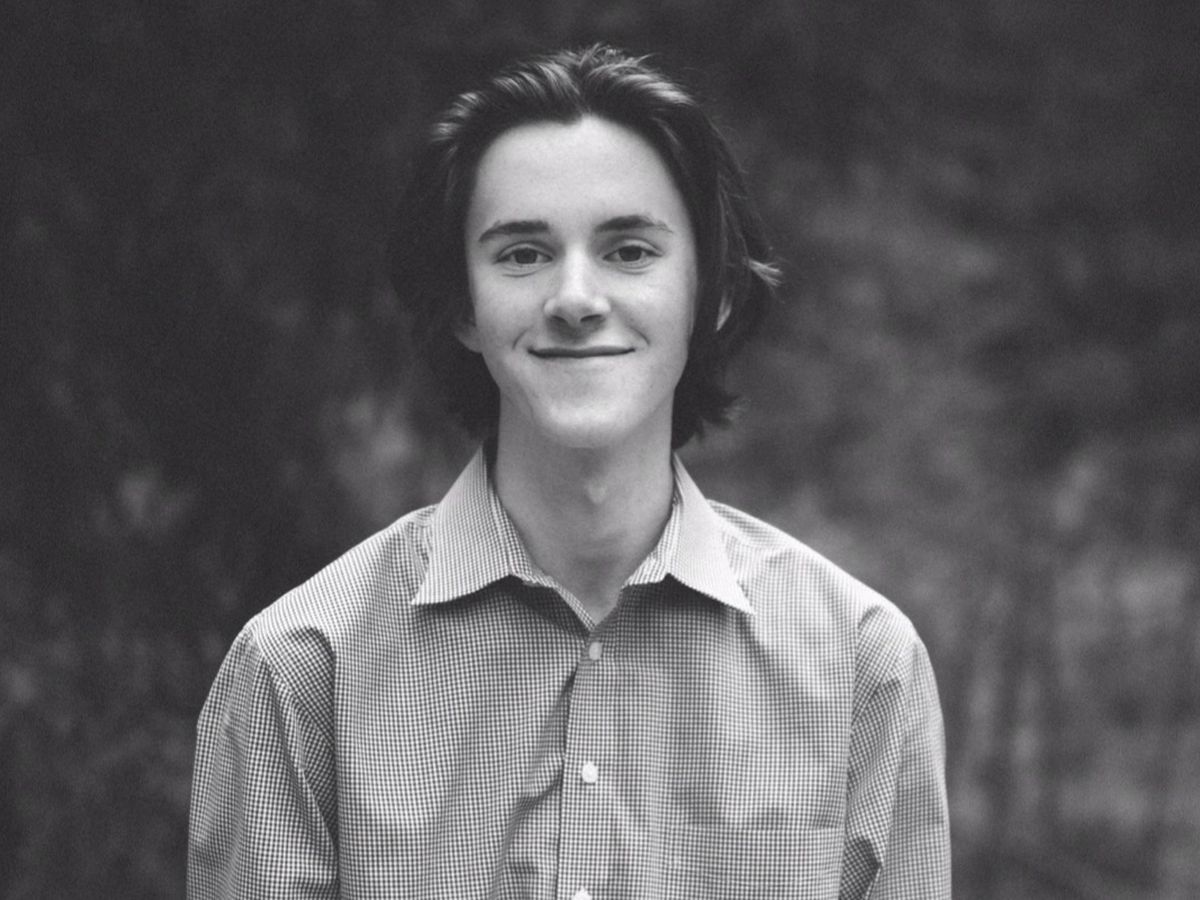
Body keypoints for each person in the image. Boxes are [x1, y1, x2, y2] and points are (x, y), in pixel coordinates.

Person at [187, 44, 950, 899]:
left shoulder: (862, 669)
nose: (576, 299)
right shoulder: (301, 672)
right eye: (522, 254)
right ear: (463, 306)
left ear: (715, 293)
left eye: (629, 250)